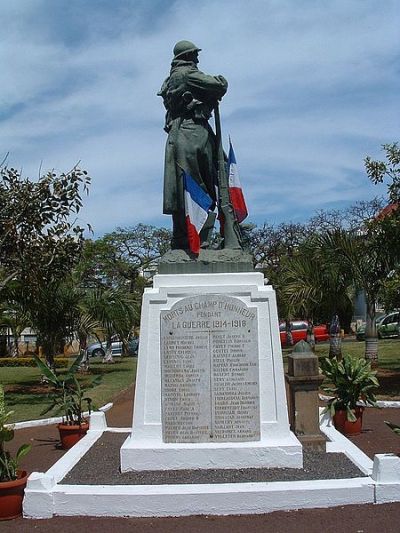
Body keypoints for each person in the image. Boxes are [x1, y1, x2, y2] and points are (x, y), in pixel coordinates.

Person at [158, 40, 228, 250]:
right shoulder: (187, 74)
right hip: (193, 132)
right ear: (187, 57)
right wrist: (217, 85)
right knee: (201, 184)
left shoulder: (169, 79)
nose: (197, 59)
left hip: (179, 135)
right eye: (194, 55)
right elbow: (219, 85)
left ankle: (182, 238)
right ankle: (201, 239)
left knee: (182, 188)